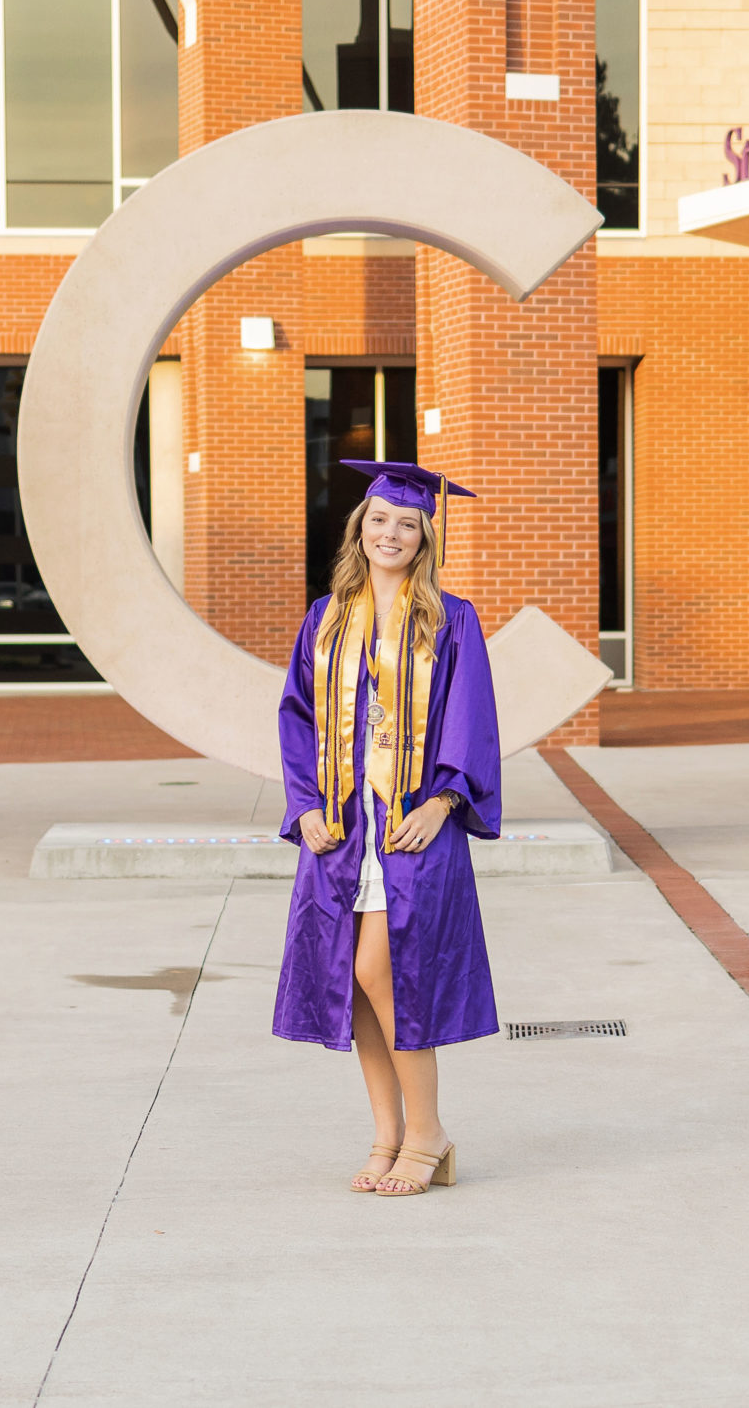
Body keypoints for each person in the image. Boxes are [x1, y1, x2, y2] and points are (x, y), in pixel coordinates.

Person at [274, 460, 502, 1197]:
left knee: (385, 971)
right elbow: (297, 715)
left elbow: (471, 720)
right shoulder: (327, 617)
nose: (392, 533)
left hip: (412, 827)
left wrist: (445, 802)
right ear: (359, 529)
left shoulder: (450, 618)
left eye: (407, 523)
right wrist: (305, 803)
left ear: (424, 537)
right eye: (380, 520)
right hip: (343, 828)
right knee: (353, 979)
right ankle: (388, 1134)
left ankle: (428, 1131)